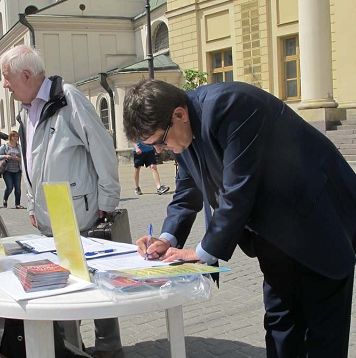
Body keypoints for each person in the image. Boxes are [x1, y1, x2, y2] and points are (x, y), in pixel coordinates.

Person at [123, 79, 356, 358]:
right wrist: (166, 238)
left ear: (179, 115)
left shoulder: (230, 106)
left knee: (322, 333)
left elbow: (238, 191)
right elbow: (187, 191)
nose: (159, 151)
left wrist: (200, 253)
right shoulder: (181, 133)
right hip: (274, 234)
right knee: (281, 323)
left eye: (159, 142)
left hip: (320, 222)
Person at [0, 44, 123, 358]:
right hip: (48, 220)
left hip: (82, 213)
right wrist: (30, 204)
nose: (4, 85)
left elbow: (102, 148)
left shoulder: (68, 98)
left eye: (6, 78)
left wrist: (107, 199)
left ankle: (109, 348)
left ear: (26, 75)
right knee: (63, 288)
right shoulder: (25, 111)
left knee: (98, 283)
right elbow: (31, 164)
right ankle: (73, 349)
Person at [0, 130, 24, 209]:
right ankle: (5, 199)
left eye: (17, 136)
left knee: (18, 188)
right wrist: (6, 156)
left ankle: (17, 204)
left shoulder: (19, 147)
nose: (16, 138)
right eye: (15, 136)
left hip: (17, 170)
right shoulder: (5, 146)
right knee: (10, 187)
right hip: (7, 170)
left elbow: (23, 158)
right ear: (11, 137)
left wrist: (18, 158)